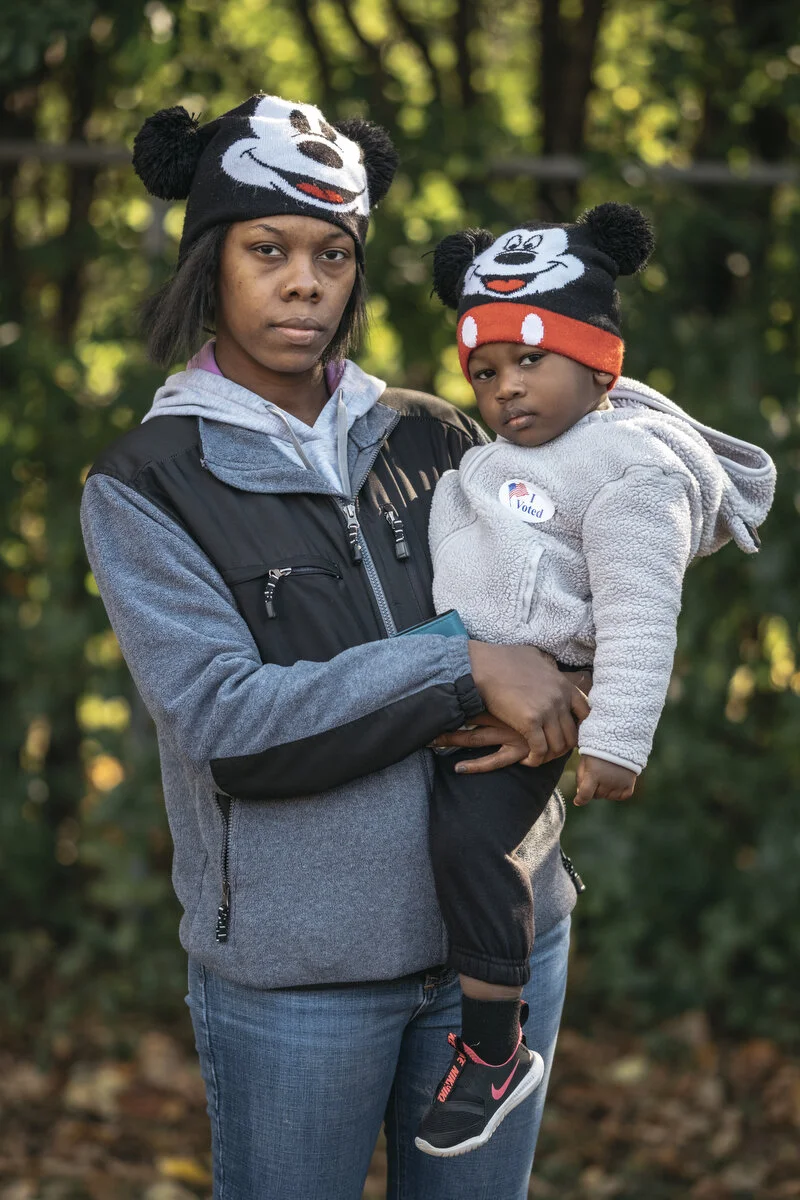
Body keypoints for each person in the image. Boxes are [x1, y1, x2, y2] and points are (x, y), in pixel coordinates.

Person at [80, 92, 593, 1200]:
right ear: (210, 260)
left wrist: (577, 678)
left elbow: (565, 596)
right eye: (267, 250)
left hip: (502, 949)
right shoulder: (146, 484)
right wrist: (457, 666)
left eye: (331, 253)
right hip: (298, 981)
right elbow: (230, 725)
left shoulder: (437, 432)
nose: (303, 282)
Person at [411, 204, 776, 1158]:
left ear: (599, 360)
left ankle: (493, 1048)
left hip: (545, 699)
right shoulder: (493, 462)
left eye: (531, 360)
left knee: (473, 840)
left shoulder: (628, 466)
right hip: (459, 684)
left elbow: (642, 611)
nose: (505, 388)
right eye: (485, 371)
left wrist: (615, 736)